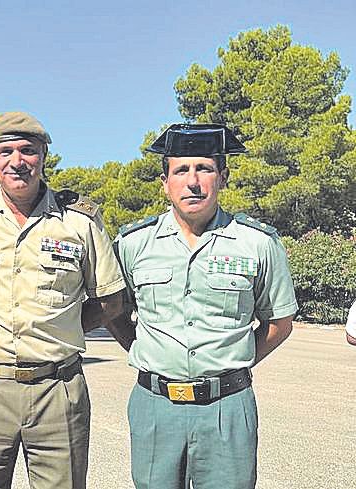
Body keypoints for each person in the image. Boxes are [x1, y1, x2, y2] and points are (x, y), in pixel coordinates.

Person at [0, 111, 125, 489]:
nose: (17, 161)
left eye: (28, 150)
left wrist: (63, 323)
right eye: (6, 151)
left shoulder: (80, 222)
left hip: (57, 388)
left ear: (43, 156)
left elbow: (111, 299)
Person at [108, 123, 299, 489]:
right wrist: (145, 349)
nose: (192, 181)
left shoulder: (257, 244)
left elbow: (279, 322)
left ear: (222, 178)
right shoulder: (134, 244)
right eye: (181, 170)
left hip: (227, 408)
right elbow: (116, 312)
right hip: (155, 406)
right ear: (165, 182)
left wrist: (229, 366)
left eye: (204, 169)